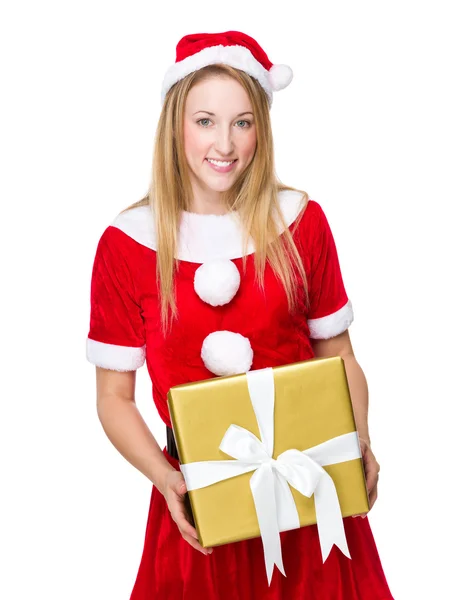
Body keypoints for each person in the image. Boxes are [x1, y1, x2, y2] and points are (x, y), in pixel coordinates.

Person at [86, 30, 394, 600]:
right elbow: (113, 397)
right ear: (175, 124)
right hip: (200, 507)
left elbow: (340, 355)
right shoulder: (128, 244)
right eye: (205, 121)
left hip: (311, 493)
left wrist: (361, 442)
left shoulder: (301, 222)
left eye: (242, 122)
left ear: (261, 129)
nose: (224, 143)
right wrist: (168, 480)